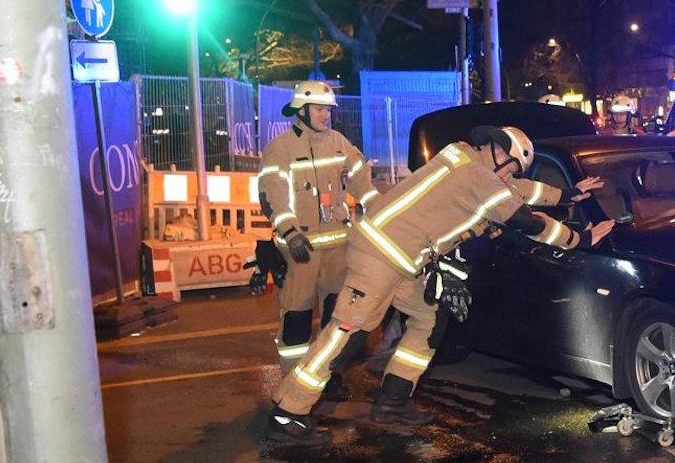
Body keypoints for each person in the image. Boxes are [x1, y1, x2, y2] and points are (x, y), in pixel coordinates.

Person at [264, 125, 616, 445]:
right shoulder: (479, 178)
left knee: (430, 319)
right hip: (380, 258)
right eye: (511, 166)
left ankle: (392, 402)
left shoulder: (464, 157)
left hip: (401, 259)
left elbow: (517, 189)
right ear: (498, 151)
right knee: (344, 334)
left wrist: (567, 194)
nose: (510, 174)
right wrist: (579, 239)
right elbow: (526, 221)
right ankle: (288, 413)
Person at [257, 81, 379, 399]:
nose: (327, 115)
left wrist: (376, 205)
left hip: (337, 249)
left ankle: (327, 375)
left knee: (336, 320)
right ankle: (293, 381)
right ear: (301, 110)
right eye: (321, 109)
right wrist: (290, 232)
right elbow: (272, 196)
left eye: (329, 109)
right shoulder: (281, 148)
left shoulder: (338, 142)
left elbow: (360, 178)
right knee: (296, 319)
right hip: (301, 251)